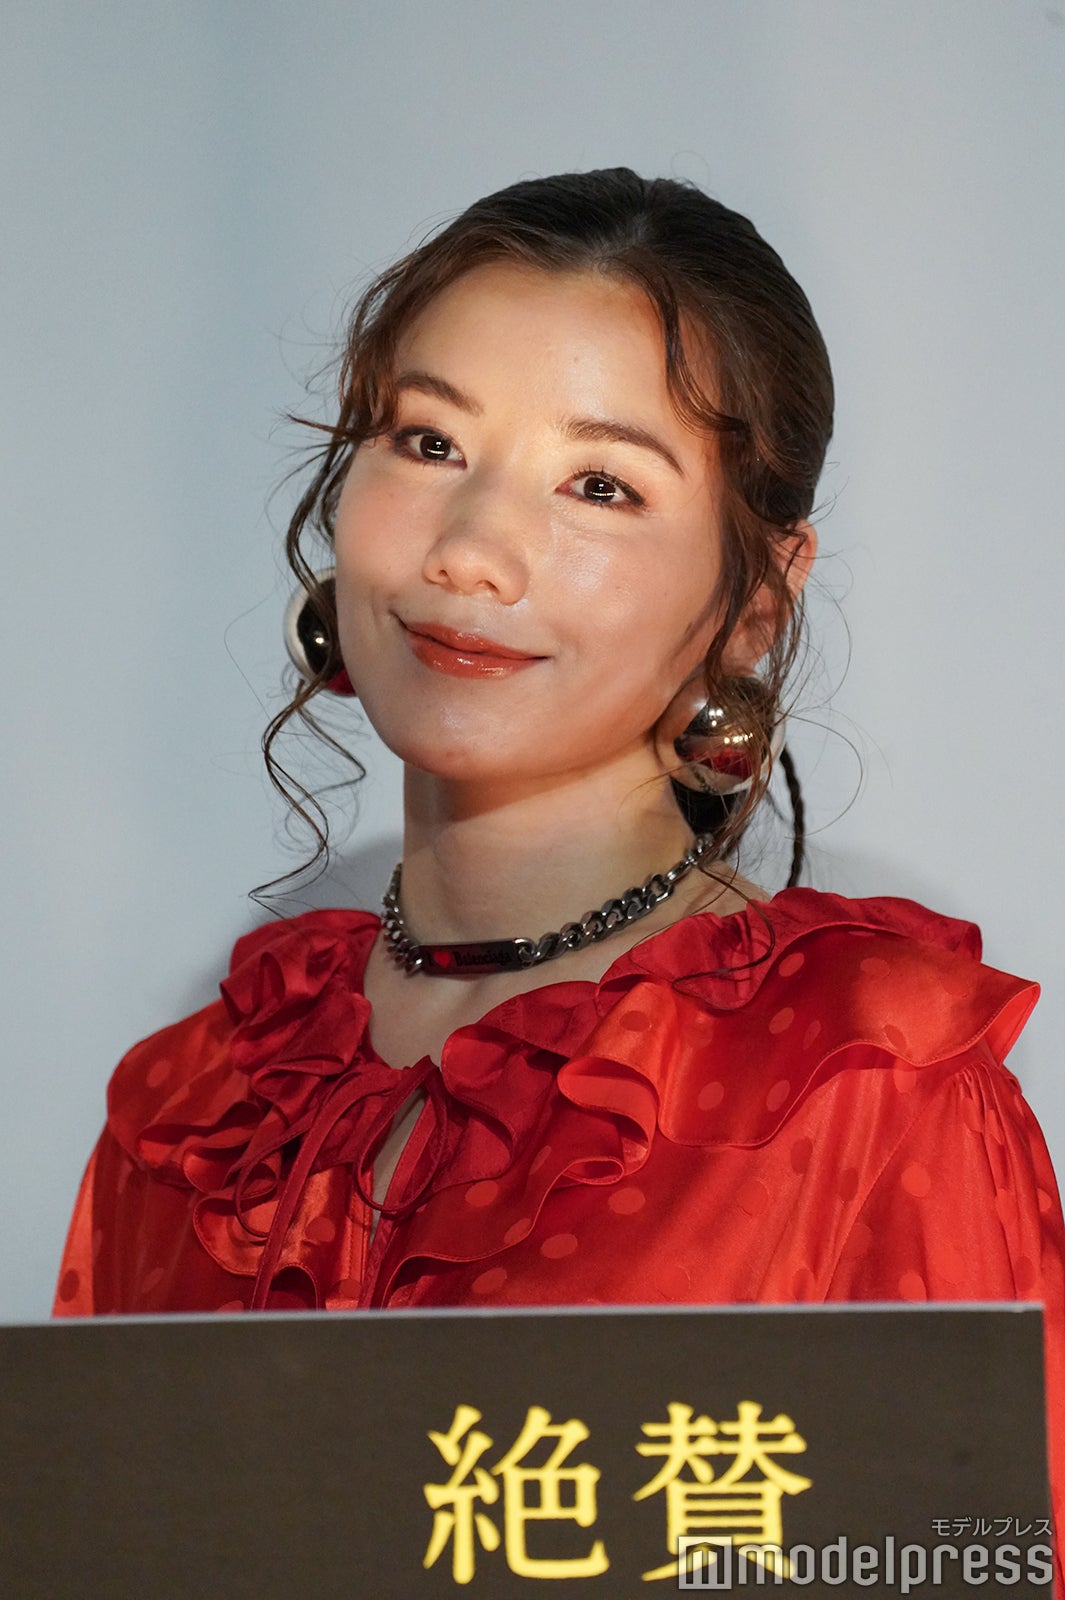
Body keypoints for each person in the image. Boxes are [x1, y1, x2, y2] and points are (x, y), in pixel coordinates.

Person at [52, 169, 1064, 1572]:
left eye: (600, 485)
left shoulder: (863, 1086)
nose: (471, 552)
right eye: (427, 441)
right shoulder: (193, 1108)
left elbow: (967, 1554)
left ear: (755, 600)